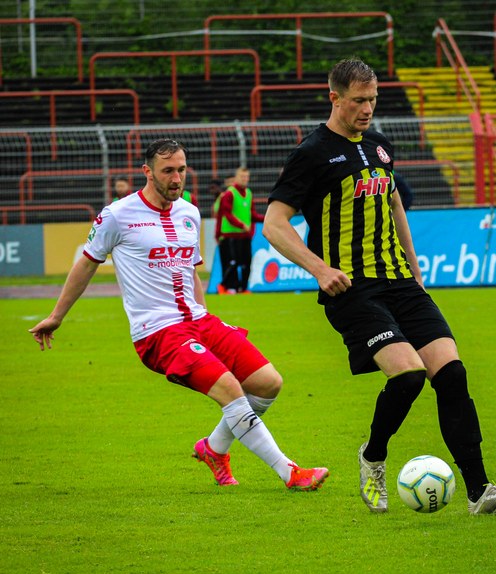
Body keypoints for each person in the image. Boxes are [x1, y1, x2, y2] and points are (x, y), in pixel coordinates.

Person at [263, 58, 496, 514]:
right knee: (408, 375)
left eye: (373, 99)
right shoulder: (311, 153)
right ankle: (373, 457)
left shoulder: (379, 146)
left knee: (452, 375)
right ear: (335, 98)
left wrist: (415, 269)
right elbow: (274, 223)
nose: (368, 109)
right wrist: (320, 270)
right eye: (358, 101)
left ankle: (480, 493)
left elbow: (394, 206)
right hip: (353, 290)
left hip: (402, 283)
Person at [29, 138, 329, 493]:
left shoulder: (188, 211)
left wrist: (209, 322)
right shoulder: (117, 215)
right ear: (148, 172)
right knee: (231, 390)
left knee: (268, 383)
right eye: (168, 171)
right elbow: (86, 264)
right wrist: (56, 316)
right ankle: (290, 473)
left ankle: (214, 449)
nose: (176, 178)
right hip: (158, 333)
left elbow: (190, 272)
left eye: (182, 170)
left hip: (198, 322)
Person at [214, 167, 264, 294]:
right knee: (232, 263)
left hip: (245, 235)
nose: (244, 179)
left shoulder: (249, 193)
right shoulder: (229, 194)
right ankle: (224, 286)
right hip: (231, 234)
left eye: (246, 177)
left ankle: (243, 288)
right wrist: (241, 225)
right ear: (236, 178)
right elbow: (226, 214)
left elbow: (252, 214)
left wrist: (266, 219)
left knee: (246, 263)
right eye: (242, 176)